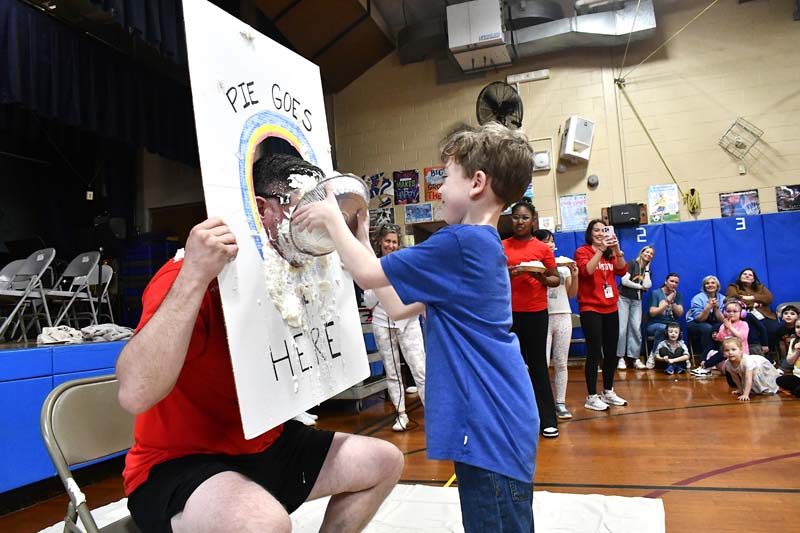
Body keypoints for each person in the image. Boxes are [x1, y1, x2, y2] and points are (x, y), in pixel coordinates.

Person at [116, 154, 404, 533]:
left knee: (385, 462)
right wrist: (194, 276)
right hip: (181, 458)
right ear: (263, 209)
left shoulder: (298, 276)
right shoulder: (183, 276)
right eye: (305, 209)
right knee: (266, 523)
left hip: (264, 442)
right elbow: (134, 393)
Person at [293, 122, 539, 532]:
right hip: (497, 418)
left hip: (489, 425)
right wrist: (358, 237)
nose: (438, 189)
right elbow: (396, 304)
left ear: (477, 183)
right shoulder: (476, 247)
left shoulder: (460, 242)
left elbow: (370, 274)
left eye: (446, 178)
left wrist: (331, 219)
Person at [504, 199, 560, 438]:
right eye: (516, 217)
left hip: (537, 314)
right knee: (511, 369)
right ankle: (514, 421)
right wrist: (510, 272)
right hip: (508, 315)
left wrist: (542, 279)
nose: (520, 221)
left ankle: (547, 419)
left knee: (538, 366)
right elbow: (491, 275)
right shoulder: (501, 245)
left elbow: (555, 278)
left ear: (533, 220)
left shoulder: (542, 248)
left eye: (525, 218)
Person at [362, 223, 426, 432]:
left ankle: (433, 416)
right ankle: (401, 414)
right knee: (392, 372)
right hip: (382, 323)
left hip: (409, 322)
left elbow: (415, 292)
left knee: (420, 369)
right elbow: (369, 301)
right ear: (380, 242)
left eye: (394, 242)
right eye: (387, 241)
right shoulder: (372, 266)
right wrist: (380, 282)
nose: (390, 245)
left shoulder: (405, 264)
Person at [574, 219, 629, 411]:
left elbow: (622, 270)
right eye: (596, 230)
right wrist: (600, 250)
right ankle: (591, 395)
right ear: (590, 233)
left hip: (611, 307)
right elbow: (587, 271)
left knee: (611, 351)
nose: (599, 233)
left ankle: (608, 390)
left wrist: (617, 249)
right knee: (594, 351)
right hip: (590, 307)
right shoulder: (582, 251)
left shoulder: (610, 253)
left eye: (603, 230)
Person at [534, 229, 579, 420]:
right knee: (541, 364)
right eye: (545, 241)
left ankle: (560, 402)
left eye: (551, 241)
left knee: (561, 362)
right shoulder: (534, 266)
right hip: (541, 316)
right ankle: (541, 404)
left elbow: (571, 294)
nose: (550, 244)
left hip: (562, 315)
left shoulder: (563, 266)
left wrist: (575, 275)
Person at [725, 268, 779, 355]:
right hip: (747, 317)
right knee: (751, 331)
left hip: (764, 316)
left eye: (750, 275)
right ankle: (759, 355)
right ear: (740, 277)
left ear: (753, 279)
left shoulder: (760, 287)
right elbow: (735, 299)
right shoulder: (733, 287)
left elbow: (769, 298)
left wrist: (751, 297)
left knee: (774, 328)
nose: (747, 275)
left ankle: (770, 355)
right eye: (744, 274)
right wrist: (756, 304)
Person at [616, 245, 654, 370]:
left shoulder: (647, 271)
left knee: (635, 329)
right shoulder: (632, 264)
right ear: (641, 252)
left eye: (651, 254)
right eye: (647, 252)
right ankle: (620, 357)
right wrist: (640, 287)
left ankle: (635, 358)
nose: (648, 254)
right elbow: (624, 281)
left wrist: (647, 270)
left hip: (637, 301)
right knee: (622, 328)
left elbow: (647, 285)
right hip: (623, 298)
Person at [691, 299, 750, 377]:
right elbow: (720, 338)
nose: (731, 314)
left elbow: (742, 337)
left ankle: (706, 365)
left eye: (735, 311)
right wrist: (724, 329)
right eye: (728, 311)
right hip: (727, 356)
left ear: (741, 313)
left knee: (723, 353)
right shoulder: (724, 325)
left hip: (739, 355)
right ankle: (706, 368)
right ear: (725, 313)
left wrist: (730, 328)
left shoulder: (743, 324)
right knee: (713, 352)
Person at [646, 273, 684, 368]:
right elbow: (652, 312)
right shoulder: (656, 293)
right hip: (655, 324)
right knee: (663, 329)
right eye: (671, 281)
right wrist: (667, 302)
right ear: (665, 281)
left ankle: (680, 359)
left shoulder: (677, 295)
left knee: (677, 330)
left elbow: (679, 314)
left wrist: (672, 301)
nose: (673, 284)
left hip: (671, 324)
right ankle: (653, 355)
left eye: (676, 282)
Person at [686, 275, 726, 359]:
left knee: (722, 327)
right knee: (707, 328)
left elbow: (722, 320)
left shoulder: (723, 299)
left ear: (717, 286)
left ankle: (721, 356)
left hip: (714, 322)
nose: (710, 285)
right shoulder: (697, 298)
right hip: (695, 322)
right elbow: (699, 319)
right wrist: (708, 307)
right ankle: (707, 358)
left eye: (712, 283)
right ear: (704, 286)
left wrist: (716, 308)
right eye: (707, 283)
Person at [776, 320, 800, 397]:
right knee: (780, 380)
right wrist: (797, 351)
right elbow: (789, 362)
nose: (799, 329)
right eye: (798, 327)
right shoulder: (793, 341)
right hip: (797, 377)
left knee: (797, 390)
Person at [776, 305, 798, 371]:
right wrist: (783, 357)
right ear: (782, 317)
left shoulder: (798, 328)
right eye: (786, 313)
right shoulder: (780, 330)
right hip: (790, 354)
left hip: (797, 352)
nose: (788, 315)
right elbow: (782, 345)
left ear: (797, 317)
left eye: (792, 314)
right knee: (784, 366)